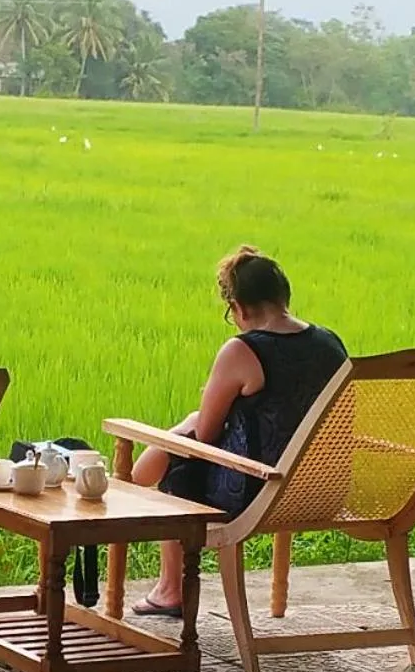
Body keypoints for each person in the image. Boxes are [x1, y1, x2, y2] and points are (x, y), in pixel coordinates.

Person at [130, 246, 347, 617]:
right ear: (284, 296)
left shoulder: (243, 350)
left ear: (239, 308)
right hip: (324, 488)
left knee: (182, 457)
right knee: (190, 429)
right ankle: (167, 582)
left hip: (259, 491)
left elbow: (207, 434)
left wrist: (191, 423)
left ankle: (171, 589)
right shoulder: (330, 342)